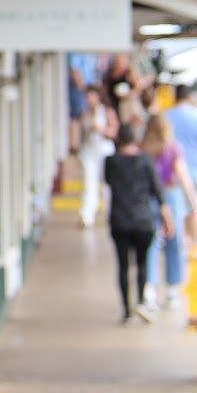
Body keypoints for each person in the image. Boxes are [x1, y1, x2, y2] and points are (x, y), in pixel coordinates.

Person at [105, 124, 172, 323]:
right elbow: (157, 192)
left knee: (123, 265)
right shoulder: (145, 161)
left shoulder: (111, 162)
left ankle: (126, 310)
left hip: (119, 219)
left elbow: (109, 181)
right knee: (142, 264)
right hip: (143, 219)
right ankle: (142, 302)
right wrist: (167, 219)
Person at [142, 113, 197, 309]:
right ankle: (172, 289)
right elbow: (183, 176)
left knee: (151, 243)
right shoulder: (173, 149)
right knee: (174, 242)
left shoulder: (144, 150)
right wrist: (193, 202)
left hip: (149, 198)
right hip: (170, 195)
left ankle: (148, 287)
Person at [77, 86, 116, 228]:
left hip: (103, 150)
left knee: (107, 184)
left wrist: (101, 130)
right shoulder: (85, 114)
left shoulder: (106, 112)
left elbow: (114, 132)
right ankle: (87, 215)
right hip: (89, 151)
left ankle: (110, 213)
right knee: (89, 182)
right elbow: (82, 134)